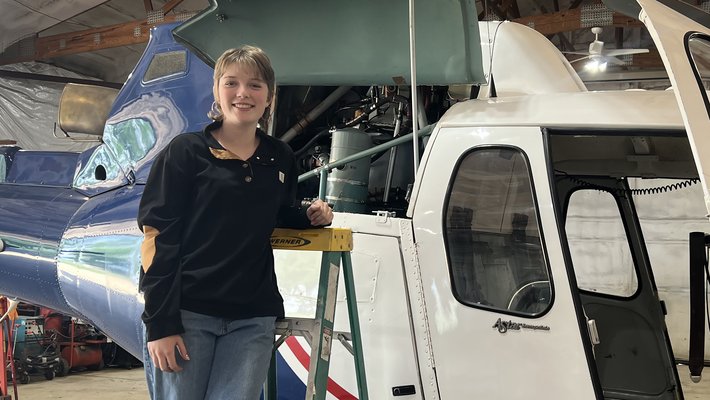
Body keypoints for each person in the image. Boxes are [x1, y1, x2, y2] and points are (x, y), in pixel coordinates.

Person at [137, 45, 333, 400]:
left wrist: (310, 216)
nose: (243, 94)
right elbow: (158, 237)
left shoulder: (280, 157)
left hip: (252, 319)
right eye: (232, 83)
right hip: (188, 313)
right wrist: (161, 323)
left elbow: (276, 213)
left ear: (269, 96)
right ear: (217, 90)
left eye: (255, 85)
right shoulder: (186, 152)